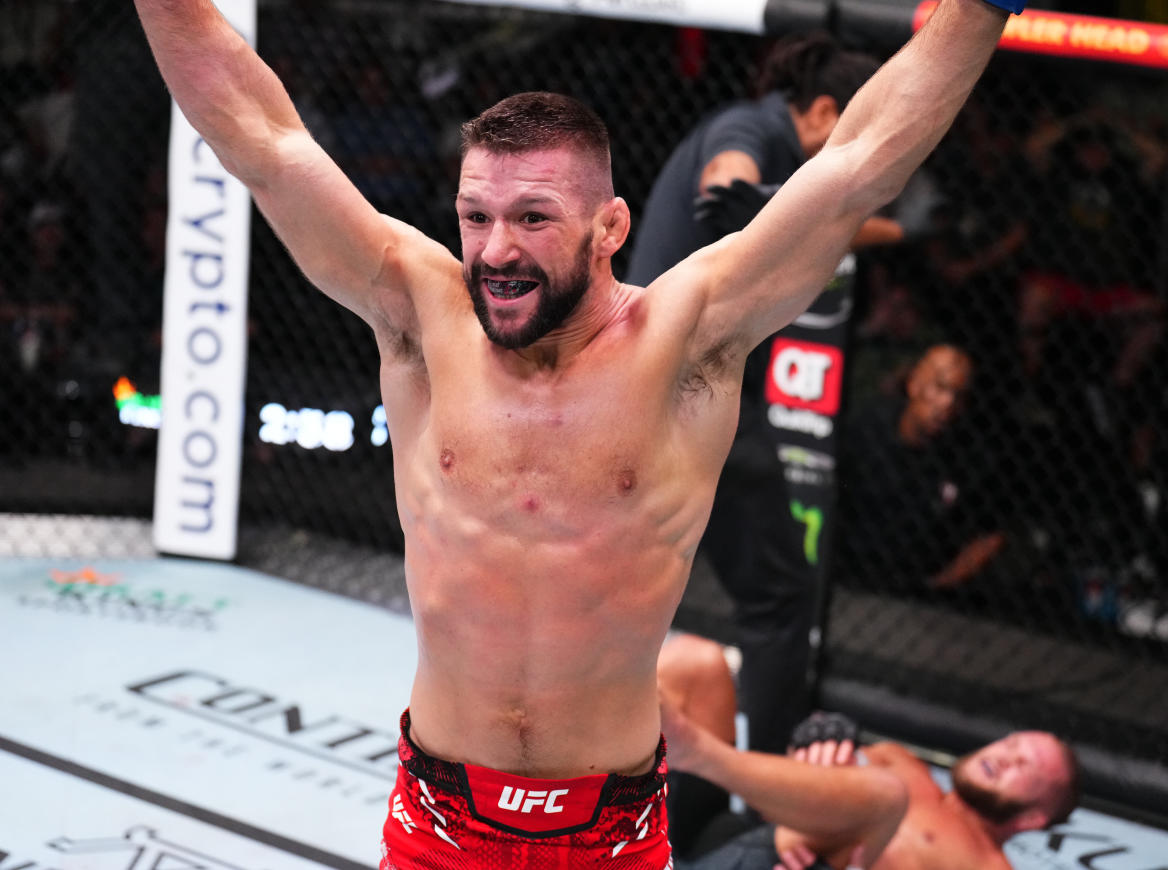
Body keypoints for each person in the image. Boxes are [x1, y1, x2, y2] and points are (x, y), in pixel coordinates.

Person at [133, 0, 1017, 865]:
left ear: (611, 228)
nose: (496, 251)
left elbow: (857, 163)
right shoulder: (420, 316)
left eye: (532, 218)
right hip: (440, 820)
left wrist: (982, 8)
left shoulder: (689, 339)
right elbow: (264, 139)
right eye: (476, 216)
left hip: (612, 832)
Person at [627, 32, 936, 760]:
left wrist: (868, 226)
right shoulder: (752, 128)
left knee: (627, 577)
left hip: (666, 391)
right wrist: (874, 223)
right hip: (682, 396)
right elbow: (724, 197)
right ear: (825, 110)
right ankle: (774, 787)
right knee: (776, 596)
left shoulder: (771, 137)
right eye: (855, 128)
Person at [657, 633, 1080, 870]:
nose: (1005, 755)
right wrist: (817, 737)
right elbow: (780, 789)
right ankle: (595, 799)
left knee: (886, 796)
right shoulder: (901, 760)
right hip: (730, 837)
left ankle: (693, 750)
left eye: (1023, 765)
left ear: (1033, 817)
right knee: (699, 661)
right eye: (1011, 743)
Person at [837, 344, 1006, 592]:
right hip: (846, 574)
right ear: (914, 384)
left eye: (958, 395)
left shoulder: (968, 457)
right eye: (940, 387)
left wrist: (935, 587)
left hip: (914, 590)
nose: (947, 403)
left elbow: (991, 536)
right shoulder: (866, 427)